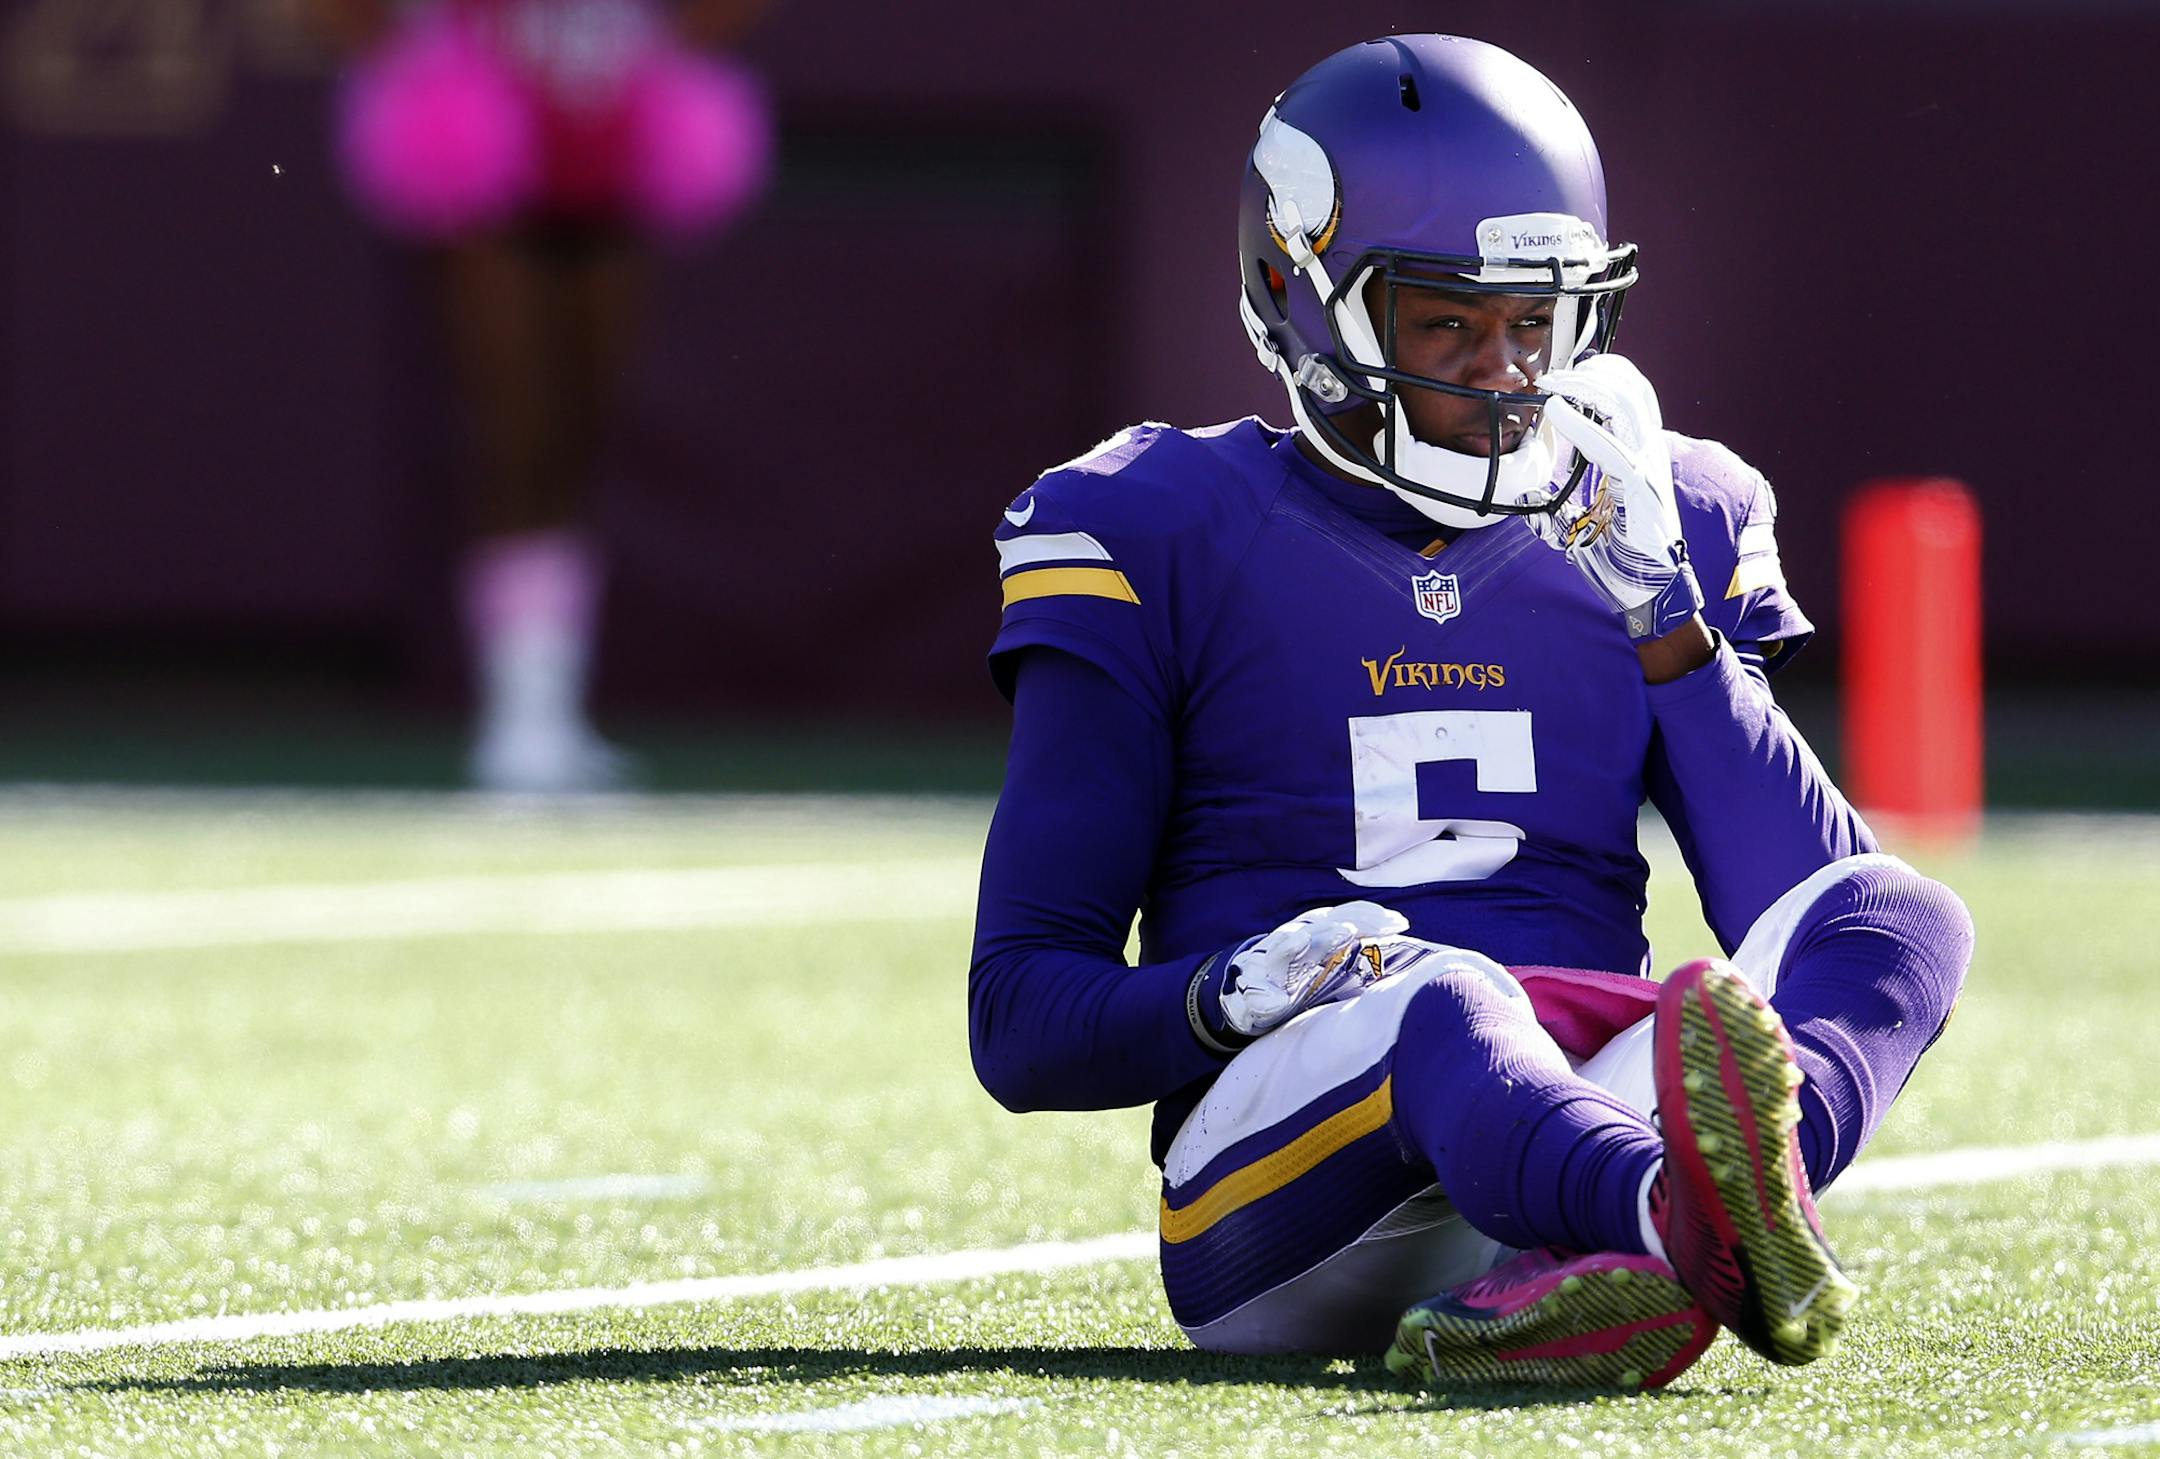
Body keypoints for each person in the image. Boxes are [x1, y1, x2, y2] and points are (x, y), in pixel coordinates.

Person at [968, 34, 1973, 1390]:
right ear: (1297, 293)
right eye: (1448, 322)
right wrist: (1225, 995)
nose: (1507, 375)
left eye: (1535, 323)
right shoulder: (1153, 522)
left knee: (1909, 913)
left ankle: (1633, 1254)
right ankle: (1678, 1222)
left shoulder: (1663, 511)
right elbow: (1022, 1017)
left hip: (1557, 1113)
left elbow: (1804, 906)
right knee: (1445, 992)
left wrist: (1665, 621)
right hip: (1288, 1191)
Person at [314, 0, 770, 791]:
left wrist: (664, 55)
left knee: (585, 426)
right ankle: (515, 724)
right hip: (487, 155)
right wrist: (420, 69)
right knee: (518, 425)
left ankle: (554, 714)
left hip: (615, 147)